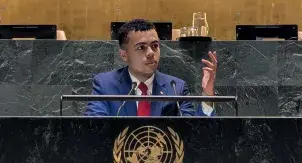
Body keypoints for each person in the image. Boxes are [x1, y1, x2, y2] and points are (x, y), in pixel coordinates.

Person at [85, 18, 218, 117]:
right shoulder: (105, 85)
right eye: (141, 47)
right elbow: (95, 130)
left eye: (155, 46)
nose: (150, 53)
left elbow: (194, 135)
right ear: (124, 55)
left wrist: (207, 95)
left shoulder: (176, 87)